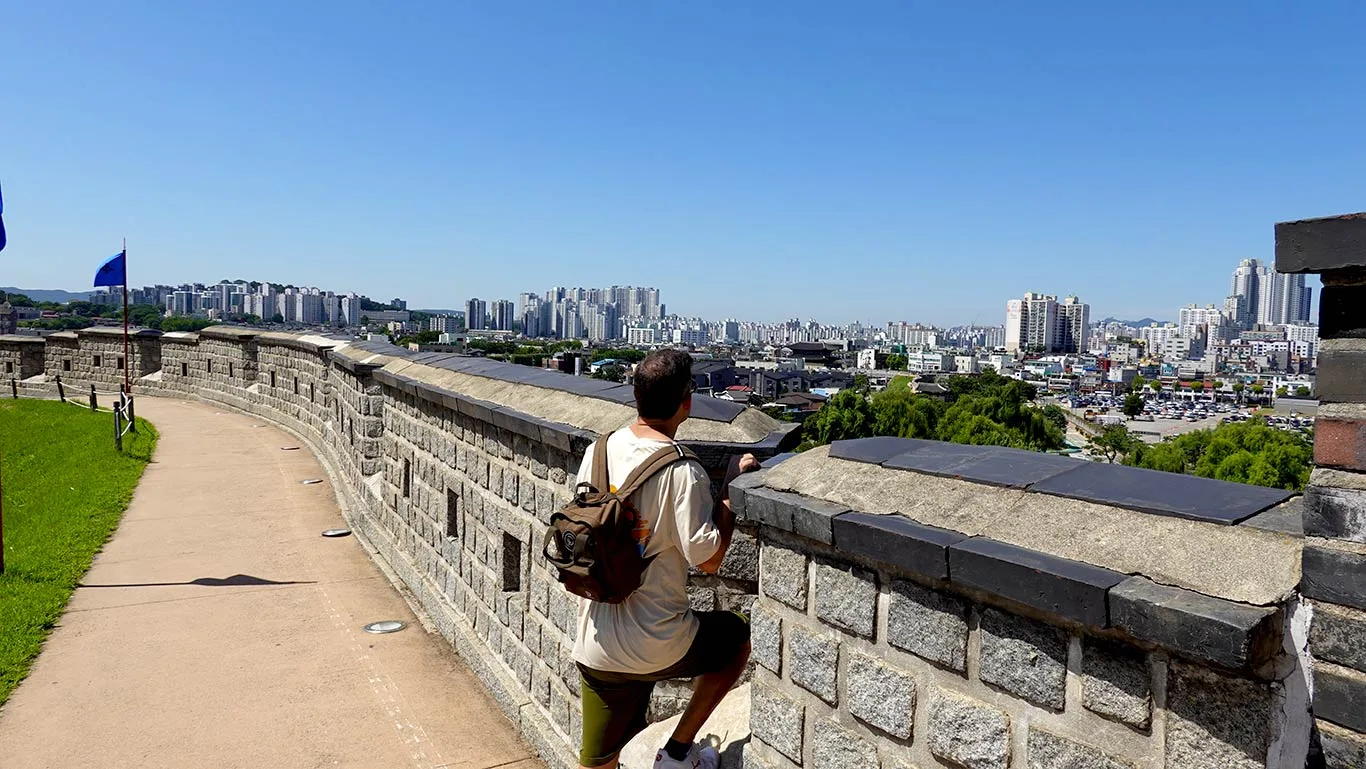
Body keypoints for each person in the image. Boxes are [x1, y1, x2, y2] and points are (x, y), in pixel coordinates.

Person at [573, 349, 758, 769]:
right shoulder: (682, 469)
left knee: (597, 763)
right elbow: (708, 561)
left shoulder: (598, 452)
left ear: (636, 396)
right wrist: (726, 499)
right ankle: (676, 753)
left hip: (595, 642)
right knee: (735, 639)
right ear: (686, 401)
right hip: (659, 642)